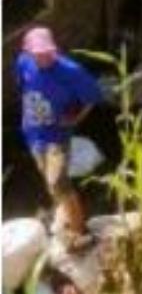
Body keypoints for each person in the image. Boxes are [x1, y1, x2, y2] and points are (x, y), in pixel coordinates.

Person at [16, 26, 103, 246]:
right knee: (49, 180)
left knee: (58, 182)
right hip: (33, 133)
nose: (43, 57)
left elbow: (93, 95)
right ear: (28, 51)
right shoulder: (24, 63)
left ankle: (80, 231)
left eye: (47, 52)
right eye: (38, 53)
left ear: (53, 49)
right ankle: (64, 213)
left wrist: (76, 118)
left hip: (57, 134)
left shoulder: (71, 71)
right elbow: (24, 89)